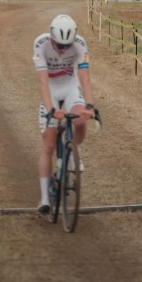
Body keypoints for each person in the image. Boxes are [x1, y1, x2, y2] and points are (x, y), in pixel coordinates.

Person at [33, 13, 96, 215]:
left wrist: (90, 105)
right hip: (50, 90)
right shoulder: (41, 44)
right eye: (60, 46)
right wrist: (52, 109)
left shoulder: (80, 44)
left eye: (67, 46)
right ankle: (44, 198)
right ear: (51, 38)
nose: (63, 50)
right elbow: (42, 81)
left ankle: (74, 151)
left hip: (69, 88)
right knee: (49, 146)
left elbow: (85, 77)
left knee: (80, 119)